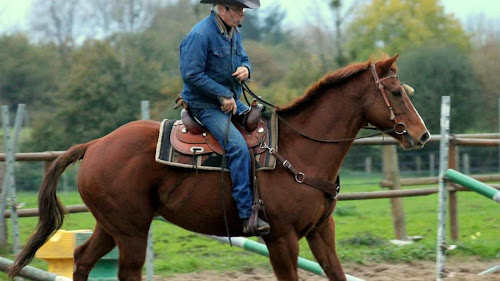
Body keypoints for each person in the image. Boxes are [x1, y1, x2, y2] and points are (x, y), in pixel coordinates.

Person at [179, 0, 270, 234]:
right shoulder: (200, 35)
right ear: (222, 9)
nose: (243, 14)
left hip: (231, 100)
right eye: (239, 9)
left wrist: (246, 70)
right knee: (238, 147)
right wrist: (221, 95)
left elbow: (243, 59)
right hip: (205, 106)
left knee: (266, 124)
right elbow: (191, 74)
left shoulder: (233, 32)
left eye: (243, 10)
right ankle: (245, 214)